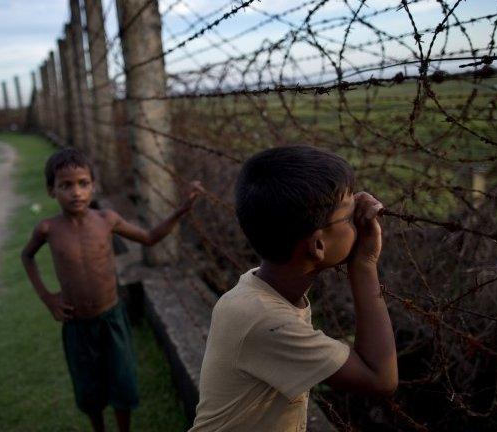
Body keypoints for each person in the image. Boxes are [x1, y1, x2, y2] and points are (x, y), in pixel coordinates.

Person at [190, 145, 398, 431]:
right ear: (317, 245)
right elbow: (380, 378)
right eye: (350, 217)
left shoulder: (256, 288)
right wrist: (365, 264)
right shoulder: (267, 320)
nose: (362, 218)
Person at [21, 148, 203, 432]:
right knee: (88, 387)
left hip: (112, 318)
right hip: (76, 325)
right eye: (65, 185)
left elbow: (150, 237)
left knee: (122, 382)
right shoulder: (48, 229)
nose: (76, 192)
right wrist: (48, 298)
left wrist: (182, 209)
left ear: (93, 186)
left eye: (83, 183)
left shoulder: (106, 220)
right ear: (51, 190)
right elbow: (27, 256)